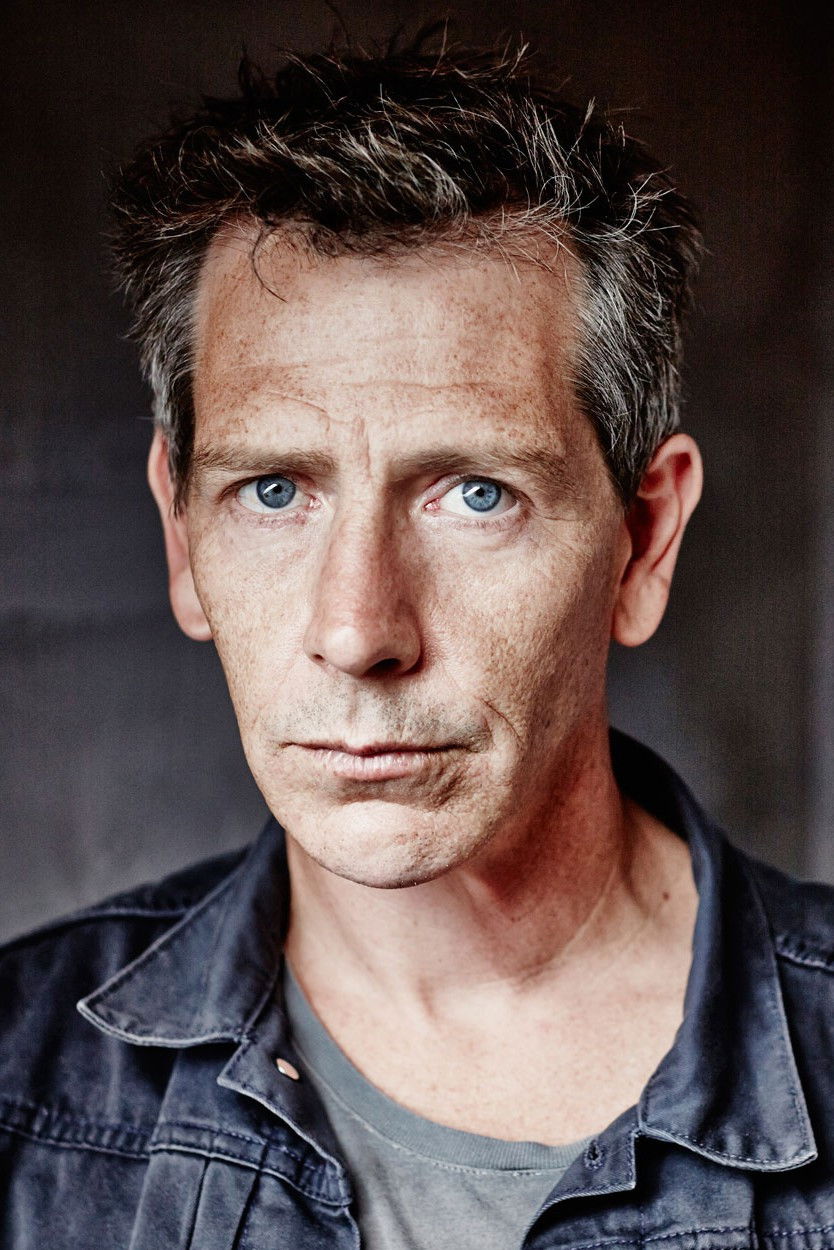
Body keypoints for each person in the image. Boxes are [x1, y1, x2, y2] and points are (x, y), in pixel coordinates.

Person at [2, 35, 833, 1250]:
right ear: (181, 536)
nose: (358, 629)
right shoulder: (18, 1088)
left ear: (644, 538)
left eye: (477, 493)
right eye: (275, 491)